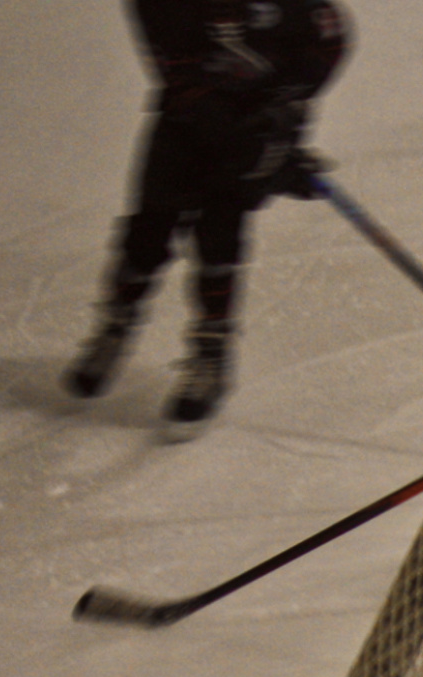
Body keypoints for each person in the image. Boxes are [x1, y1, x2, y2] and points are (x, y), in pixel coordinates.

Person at [64, 0, 351, 435]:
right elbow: (166, 50)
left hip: (255, 119)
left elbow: (329, 37)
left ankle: (211, 354)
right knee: (148, 232)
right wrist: (208, 109)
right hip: (185, 123)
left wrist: (283, 115)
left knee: (220, 235)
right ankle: (116, 326)